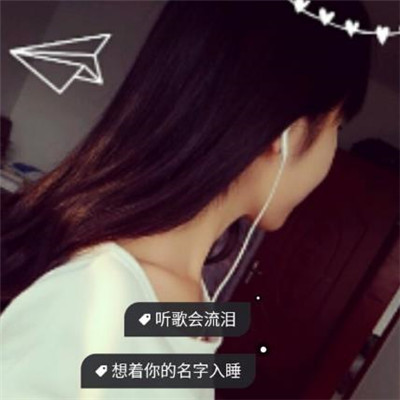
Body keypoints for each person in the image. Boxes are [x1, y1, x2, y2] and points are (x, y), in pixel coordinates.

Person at [0, 0, 371, 399]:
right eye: (337, 126)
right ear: (288, 134)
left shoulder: (184, 297)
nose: (332, 153)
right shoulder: (92, 299)